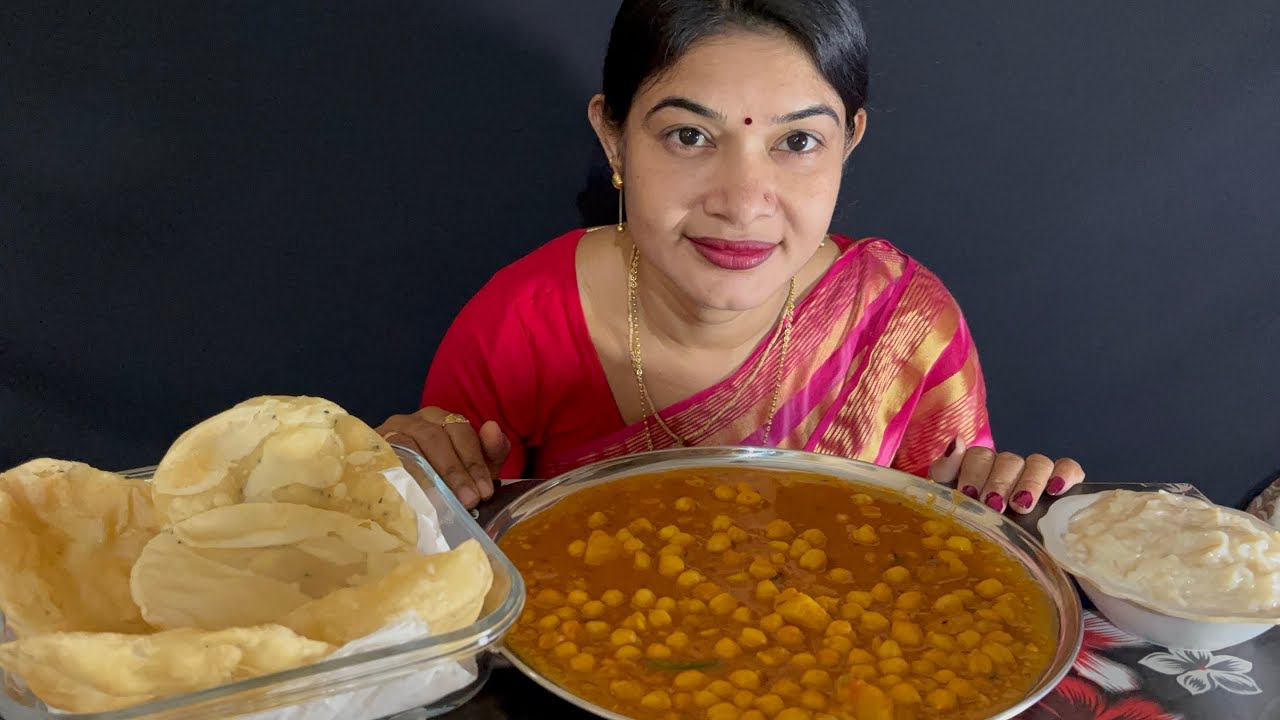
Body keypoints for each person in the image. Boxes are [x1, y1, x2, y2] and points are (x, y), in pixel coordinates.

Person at [376, 0, 1084, 514]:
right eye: (688, 136)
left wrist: (998, 497)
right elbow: (453, 557)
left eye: (799, 142)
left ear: (849, 143)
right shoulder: (519, 326)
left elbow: (942, 556)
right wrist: (402, 471)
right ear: (614, 139)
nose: (744, 203)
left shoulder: (903, 327)